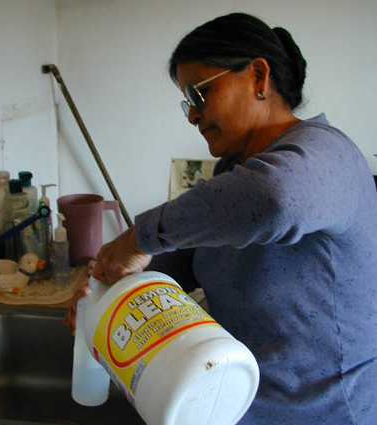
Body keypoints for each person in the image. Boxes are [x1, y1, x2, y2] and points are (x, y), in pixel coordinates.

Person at [69, 12, 377, 425]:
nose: (192, 116)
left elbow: (275, 200)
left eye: (199, 95)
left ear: (258, 77)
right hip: (235, 400)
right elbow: (190, 258)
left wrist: (135, 239)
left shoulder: (326, 156)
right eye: (187, 103)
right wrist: (112, 292)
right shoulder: (235, 173)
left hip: (322, 412)